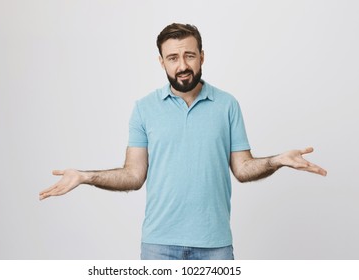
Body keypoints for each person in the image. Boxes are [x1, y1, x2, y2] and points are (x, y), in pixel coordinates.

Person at [39, 23, 327, 260]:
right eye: (173, 58)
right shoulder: (144, 108)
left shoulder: (227, 105)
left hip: (215, 246)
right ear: (161, 61)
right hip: (159, 246)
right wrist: (85, 176)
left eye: (189, 55)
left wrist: (277, 161)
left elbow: (243, 169)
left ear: (202, 56)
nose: (182, 65)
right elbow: (133, 174)